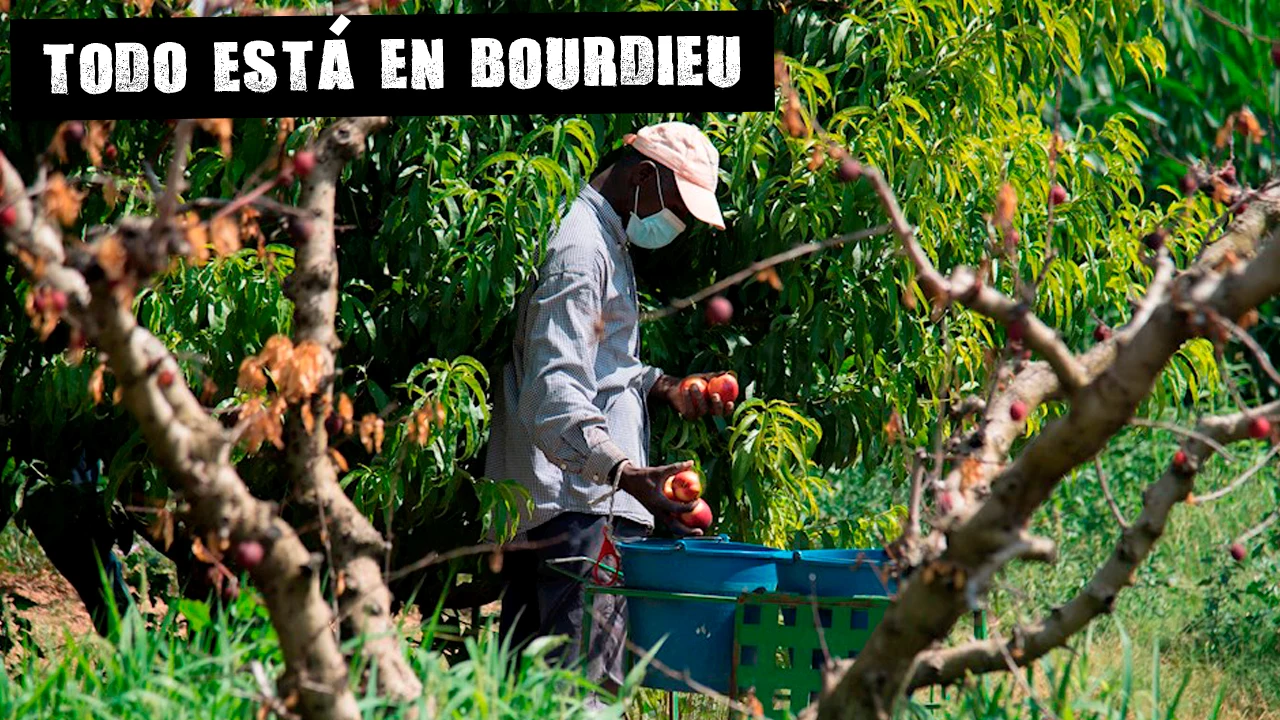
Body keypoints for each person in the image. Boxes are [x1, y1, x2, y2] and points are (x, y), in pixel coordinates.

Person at [485, 122, 735, 695]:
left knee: (529, 698)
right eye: (675, 206)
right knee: (585, 693)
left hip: (565, 507)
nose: (674, 226)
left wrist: (666, 386)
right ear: (644, 176)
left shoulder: (603, 239)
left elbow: (597, 365)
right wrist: (625, 474)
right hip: (577, 509)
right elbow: (554, 390)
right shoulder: (579, 248)